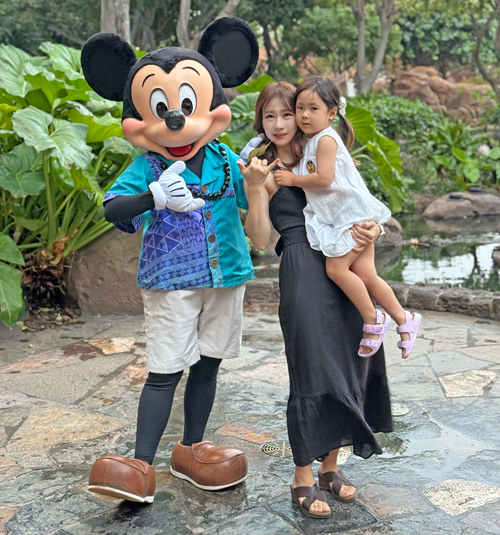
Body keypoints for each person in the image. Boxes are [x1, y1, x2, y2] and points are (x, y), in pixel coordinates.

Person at [81, 17, 259, 504]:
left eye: (187, 105)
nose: (176, 121)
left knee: (209, 363)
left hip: (228, 275)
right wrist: (154, 197)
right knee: (165, 370)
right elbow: (112, 208)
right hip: (171, 282)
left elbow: (257, 202)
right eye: (161, 109)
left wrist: (266, 182)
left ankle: (192, 449)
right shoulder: (148, 166)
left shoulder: (226, 161)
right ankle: (141, 463)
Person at [238, 81, 393, 519]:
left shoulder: (322, 150)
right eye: (269, 116)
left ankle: (330, 467)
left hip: (343, 262)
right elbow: (260, 239)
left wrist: (373, 228)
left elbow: (357, 203)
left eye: (287, 114)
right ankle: (301, 476)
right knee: (310, 367)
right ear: (260, 122)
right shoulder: (261, 167)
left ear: (305, 114)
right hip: (303, 267)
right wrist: (255, 188)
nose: (280, 124)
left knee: (350, 360)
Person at [271, 76, 421, 359]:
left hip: (349, 217)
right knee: (367, 275)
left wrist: (292, 179)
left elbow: (324, 179)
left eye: (313, 109)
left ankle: (373, 318)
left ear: (331, 112)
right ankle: (405, 319)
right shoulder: (312, 140)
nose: (304, 115)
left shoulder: (326, 140)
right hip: (344, 215)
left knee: (336, 269)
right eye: (300, 108)